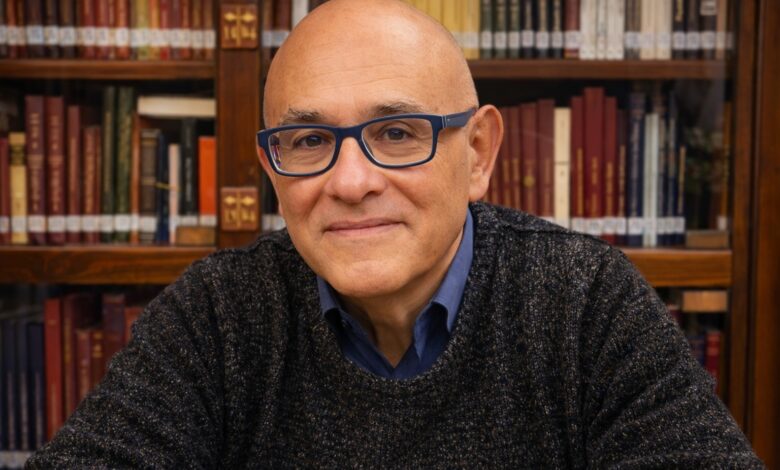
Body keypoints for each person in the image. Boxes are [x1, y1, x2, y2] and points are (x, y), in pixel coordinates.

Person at [29, 0, 763, 467]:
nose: (351, 182)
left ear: (479, 154)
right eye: (310, 140)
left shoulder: (586, 302)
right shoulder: (216, 314)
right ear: (273, 168)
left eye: (398, 132)